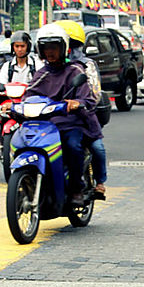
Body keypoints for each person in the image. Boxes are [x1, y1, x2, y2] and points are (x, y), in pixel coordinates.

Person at [25, 23, 100, 205]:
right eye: (46, 48)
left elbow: (88, 99)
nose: (50, 52)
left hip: (70, 124)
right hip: (46, 125)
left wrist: (76, 103)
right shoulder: (41, 74)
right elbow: (29, 95)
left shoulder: (75, 71)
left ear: (64, 48)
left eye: (54, 47)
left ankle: (76, 188)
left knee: (73, 147)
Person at [55, 19, 108, 197]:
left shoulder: (86, 66)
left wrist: (79, 102)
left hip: (83, 117)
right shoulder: (48, 67)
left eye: (72, 46)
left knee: (97, 148)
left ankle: (99, 182)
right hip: (55, 117)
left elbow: (95, 93)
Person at [0, 30, 41, 158]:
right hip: (12, 102)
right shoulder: (7, 66)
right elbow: (1, 83)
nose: (19, 49)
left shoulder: (36, 64)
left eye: (22, 46)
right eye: (17, 46)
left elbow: (43, 82)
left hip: (31, 102)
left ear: (28, 47)